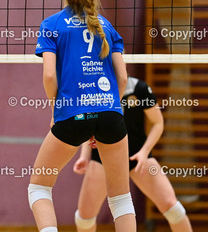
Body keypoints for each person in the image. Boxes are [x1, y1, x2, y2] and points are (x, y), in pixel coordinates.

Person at [30, 0, 136, 232]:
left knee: (39, 188)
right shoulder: (106, 26)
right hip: (111, 114)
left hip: (72, 114)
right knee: (121, 198)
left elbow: (49, 75)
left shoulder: (51, 25)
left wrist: (56, 109)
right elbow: (123, 77)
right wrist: (109, 108)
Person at [73, 76, 193, 231]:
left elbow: (158, 123)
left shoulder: (138, 89)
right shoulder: (92, 89)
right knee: (84, 218)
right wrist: (84, 156)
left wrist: (144, 152)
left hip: (137, 156)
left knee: (173, 209)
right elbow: (89, 127)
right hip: (103, 159)